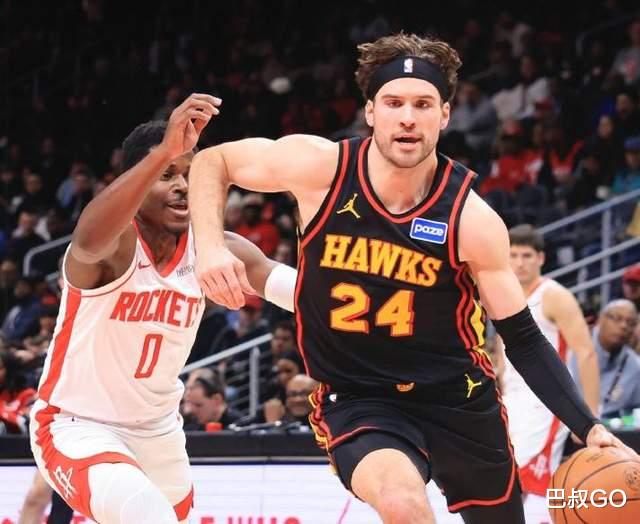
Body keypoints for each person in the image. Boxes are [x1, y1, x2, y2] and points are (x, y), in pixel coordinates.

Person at [188, 33, 635, 524]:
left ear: (445, 114)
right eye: (393, 102)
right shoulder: (322, 169)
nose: (407, 117)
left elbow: (523, 338)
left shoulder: (470, 219)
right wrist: (209, 246)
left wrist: (588, 426)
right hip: (361, 397)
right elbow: (214, 161)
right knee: (403, 505)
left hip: (458, 398)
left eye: (422, 104)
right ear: (370, 112)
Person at [29, 94, 296, 524]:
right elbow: (87, 240)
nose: (183, 185)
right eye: (167, 174)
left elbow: (295, 290)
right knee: (146, 514)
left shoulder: (213, 247)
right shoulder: (117, 246)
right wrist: (163, 151)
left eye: (190, 174)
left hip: (159, 432)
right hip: (78, 424)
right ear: (136, 180)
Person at [498, 224, 600, 520]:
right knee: (503, 480)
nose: (520, 262)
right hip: (511, 399)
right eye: (513, 255)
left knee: (530, 483)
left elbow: (586, 352)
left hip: (546, 402)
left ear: (541, 258)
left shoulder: (555, 295)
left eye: (527, 255)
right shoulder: (503, 292)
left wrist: (590, 417)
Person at [572, 299, 640, 418]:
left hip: (610, 426)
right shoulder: (572, 347)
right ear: (600, 319)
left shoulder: (635, 366)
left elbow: (635, 414)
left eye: (631, 323)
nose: (624, 326)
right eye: (617, 318)